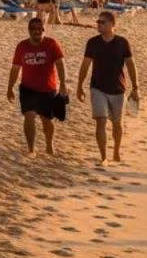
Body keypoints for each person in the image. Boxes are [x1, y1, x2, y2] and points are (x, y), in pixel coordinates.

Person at [77, 11, 139, 165]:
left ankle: (116, 151)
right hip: (97, 88)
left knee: (117, 123)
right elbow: (85, 64)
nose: (99, 24)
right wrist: (79, 85)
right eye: (98, 22)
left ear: (112, 24)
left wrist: (136, 87)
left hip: (118, 89)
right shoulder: (92, 42)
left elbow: (131, 65)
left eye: (102, 22)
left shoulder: (122, 42)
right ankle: (103, 156)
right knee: (101, 120)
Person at [7, 18, 68, 156]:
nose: (37, 31)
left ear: (44, 30)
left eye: (40, 29)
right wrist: (10, 87)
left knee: (47, 120)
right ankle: (31, 149)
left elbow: (60, 63)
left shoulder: (51, 44)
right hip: (27, 88)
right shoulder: (22, 46)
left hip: (48, 88)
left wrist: (63, 83)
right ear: (29, 30)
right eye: (33, 28)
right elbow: (15, 68)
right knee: (29, 116)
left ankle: (49, 144)